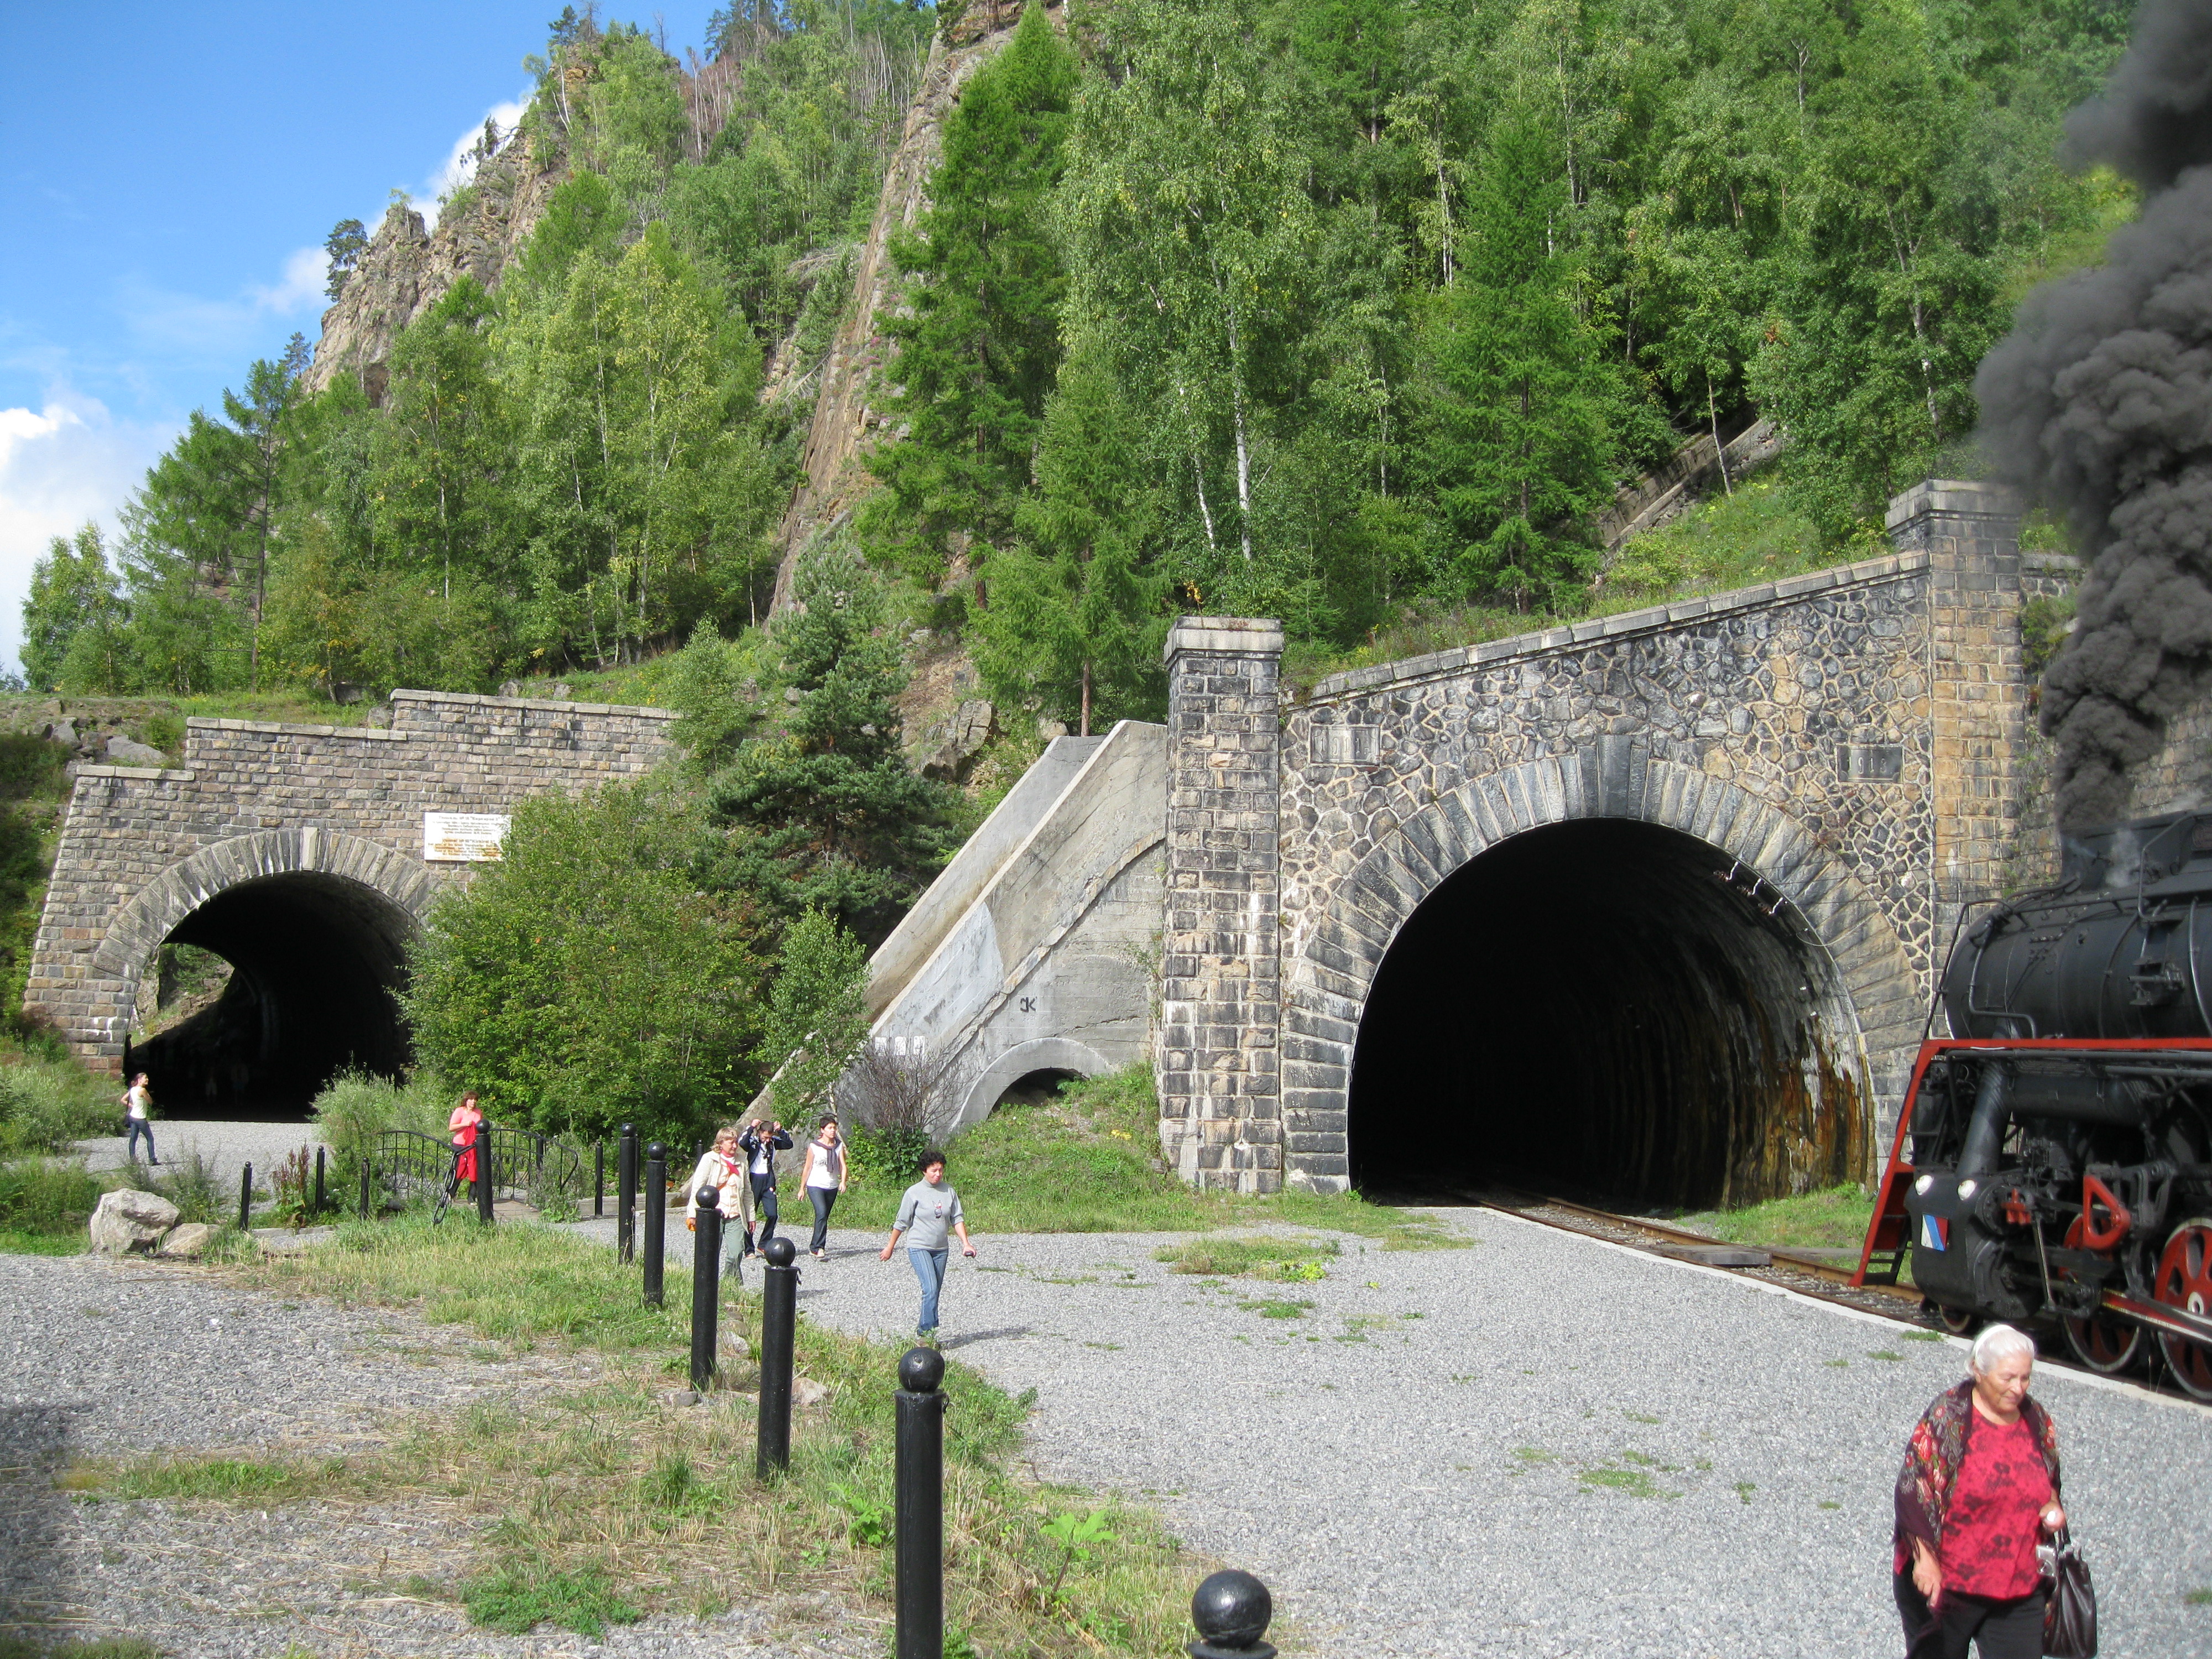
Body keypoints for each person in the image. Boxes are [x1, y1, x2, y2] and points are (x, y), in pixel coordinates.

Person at [1893, 1323, 2067, 1659]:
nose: (2019, 1388)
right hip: (1950, 1585)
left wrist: (2051, 1509)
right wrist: (1925, 1561)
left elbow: (2048, 1481)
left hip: (2017, 1583)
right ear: (1978, 1371)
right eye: (2008, 1378)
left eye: (2025, 1378)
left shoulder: (2036, 1419)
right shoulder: (1950, 1418)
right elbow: (1914, 1488)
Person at [879, 1150, 975, 1342]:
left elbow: (957, 1218)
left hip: (941, 1249)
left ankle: (926, 1330)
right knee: (930, 1288)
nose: (938, 1174)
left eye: (941, 1170)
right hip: (919, 1246)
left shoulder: (949, 1191)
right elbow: (901, 1222)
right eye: (934, 1170)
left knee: (935, 1290)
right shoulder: (914, 1192)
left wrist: (966, 1243)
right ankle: (926, 1334)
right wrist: (890, 1247)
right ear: (925, 1170)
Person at [682, 1125, 749, 1279]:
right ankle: (707, 1282)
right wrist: (693, 1214)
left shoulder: (742, 1161)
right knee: (710, 1251)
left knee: (737, 1251)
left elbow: (747, 1192)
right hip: (714, 1214)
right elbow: (698, 1188)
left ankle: (730, 1284)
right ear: (720, 1143)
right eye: (730, 1142)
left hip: (735, 1213)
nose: (734, 1146)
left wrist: (750, 1216)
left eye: (736, 1142)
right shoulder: (709, 1159)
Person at [738, 1117, 792, 1254]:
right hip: (753, 1179)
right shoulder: (753, 1141)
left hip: (768, 1179)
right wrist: (751, 1127)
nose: (767, 1140)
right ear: (760, 1132)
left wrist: (780, 1131)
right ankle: (749, 1248)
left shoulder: (773, 1142)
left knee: (773, 1214)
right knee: (750, 1214)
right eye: (765, 1137)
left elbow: (788, 1144)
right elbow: (742, 1143)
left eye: (770, 1137)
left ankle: (764, 1244)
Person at [800, 1117, 847, 1259]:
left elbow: (843, 1166)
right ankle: (817, 1247)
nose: (833, 1131)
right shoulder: (814, 1146)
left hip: (831, 1185)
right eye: (829, 1128)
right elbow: (807, 1168)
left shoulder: (838, 1146)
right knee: (821, 1212)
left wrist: (843, 1181)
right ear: (822, 1130)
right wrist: (802, 1188)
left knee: (824, 1216)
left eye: (834, 1128)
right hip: (815, 1185)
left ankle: (817, 1244)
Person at [446, 1091, 486, 1203]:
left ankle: (472, 1197)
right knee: (460, 1168)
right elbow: (451, 1127)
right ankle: (451, 1193)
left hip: (473, 1144)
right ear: (466, 1101)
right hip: (461, 1144)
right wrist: (465, 1124)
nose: (473, 1102)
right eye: (471, 1099)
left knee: (474, 1168)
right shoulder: (459, 1111)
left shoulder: (478, 1112)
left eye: (475, 1100)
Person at [120, 1072, 156, 1165]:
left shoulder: (132, 1089)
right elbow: (151, 1101)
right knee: (150, 1138)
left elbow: (123, 1100)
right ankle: (152, 1160)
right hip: (140, 1118)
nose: (147, 1080)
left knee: (133, 1138)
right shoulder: (142, 1090)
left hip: (133, 1117)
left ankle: (132, 1160)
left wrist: (132, 1106)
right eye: (145, 1078)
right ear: (140, 1080)